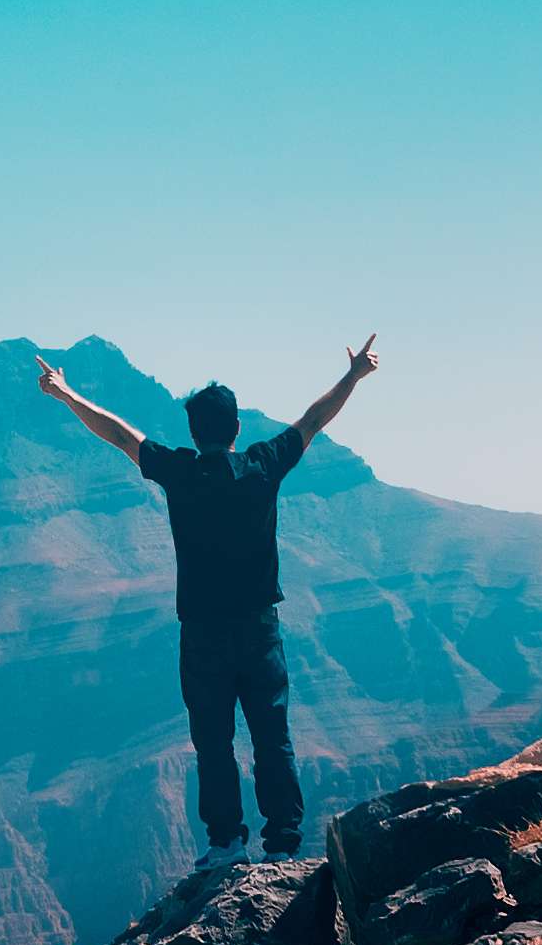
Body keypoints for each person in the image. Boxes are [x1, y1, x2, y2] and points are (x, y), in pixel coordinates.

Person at [35, 338, 380, 862]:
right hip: (260, 629)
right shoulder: (263, 465)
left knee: (213, 741)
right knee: (271, 735)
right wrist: (353, 376)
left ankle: (226, 843)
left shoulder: (182, 473)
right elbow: (313, 420)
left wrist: (66, 394)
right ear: (237, 427)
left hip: (203, 634)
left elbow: (120, 435)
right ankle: (283, 843)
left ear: (195, 434)